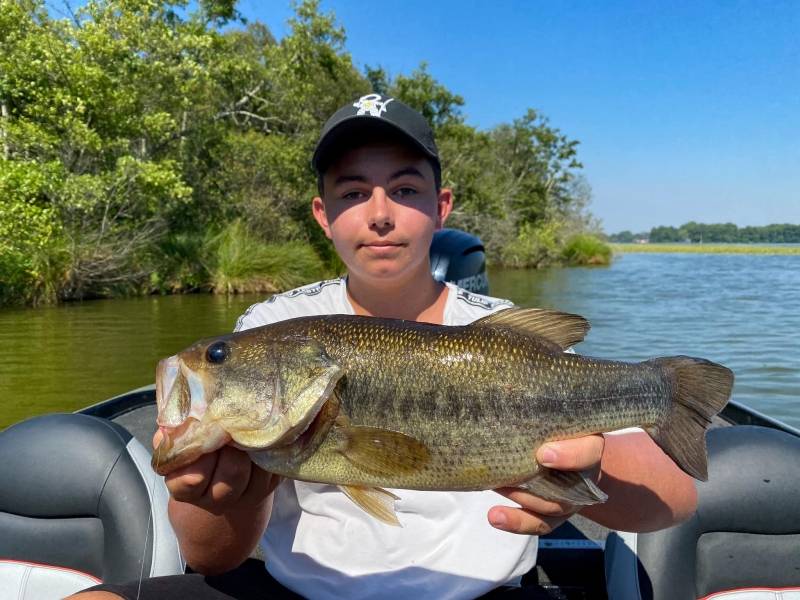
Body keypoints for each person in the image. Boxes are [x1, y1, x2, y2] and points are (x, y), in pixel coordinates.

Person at [75, 94, 697, 600]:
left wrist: (583, 474)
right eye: (352, 193)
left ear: (440, 206)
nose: (379, 215)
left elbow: (675, 499)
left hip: (485, 594)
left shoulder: (502, 332)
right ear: (322, 214)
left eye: (404, 190)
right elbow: (211, 555)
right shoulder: (274, 321)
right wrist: (226, 493)